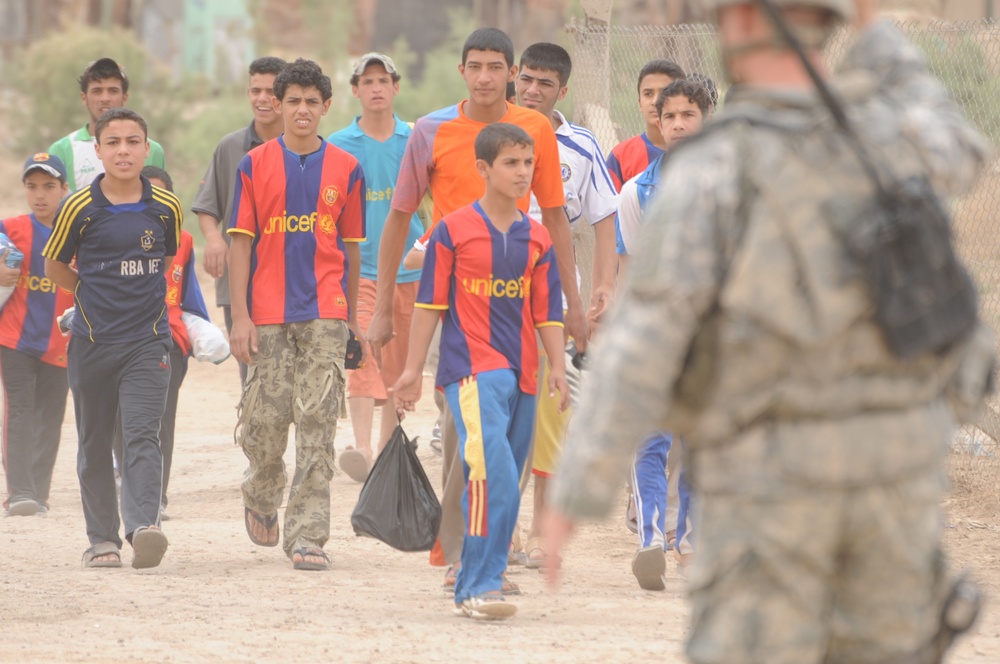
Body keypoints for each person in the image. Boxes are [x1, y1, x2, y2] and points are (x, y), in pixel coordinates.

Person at [545, 1, 993, 662]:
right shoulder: (893, 129)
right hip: (893, 476)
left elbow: (647, 334)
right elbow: (966, 151)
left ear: (746, 23)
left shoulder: (716, 164)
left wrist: (578, 489)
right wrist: (881, 42)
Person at [367, 27, 580, 594]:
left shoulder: (534, 130)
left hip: (519, 299)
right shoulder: (431, 130)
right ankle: (465, 556)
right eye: (475, 65)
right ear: (462, 70)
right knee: (466, 436)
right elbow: (399, 216)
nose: (485, 76)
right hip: (452, 304)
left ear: (511, 73)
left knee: (506, 438)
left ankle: (487, 552)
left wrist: (572, 304)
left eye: (496, 66)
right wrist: (386, 306)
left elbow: (555, 217)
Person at [392, 123, 569, 620]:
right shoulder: (451, 231)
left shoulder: (537, 237)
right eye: (511, 163)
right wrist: (412, 371)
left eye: (528, 163)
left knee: (505, 483)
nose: (522, 172)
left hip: (526, 376)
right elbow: (428, 305)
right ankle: (480, 584)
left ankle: (476, 580)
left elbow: (546, 312)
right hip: (472, 369)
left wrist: (557, 366)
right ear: (484, 169)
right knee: (491, 472)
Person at [228, 58, 366, 572]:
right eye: (293, 101)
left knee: (318, 419)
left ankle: (308, 534)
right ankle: (261, 489)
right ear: (278, 106)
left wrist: (351, 318)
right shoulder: (255, 164)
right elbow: (241, 244)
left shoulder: (347, 169)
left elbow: (350, 250)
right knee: (265, 420)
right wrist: (240, 316)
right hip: (266, 313)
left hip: (326, 312)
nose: (302, 110)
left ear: (326, 107)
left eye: (312, 101)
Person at [44, 107, 181, 570]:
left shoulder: (166, 207)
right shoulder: (78, 208)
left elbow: (165, 258)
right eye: (114, 142)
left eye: (133, 141)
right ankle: (102, 540)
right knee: (95, 442)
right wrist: (90, 291)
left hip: (148, 341)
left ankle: (145, 527)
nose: (124, 150)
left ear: (147, 148)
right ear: (98, 150)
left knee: (143, 435)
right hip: (92, 343)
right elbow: (54, 266)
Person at [513, 42, 618, 568]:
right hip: (487, 297)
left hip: (552, 296)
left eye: (544, 84)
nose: (532, 91)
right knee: (499, 409)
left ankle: (538, 529)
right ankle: (500, 527)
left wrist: (601, 288)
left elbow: (604, 218)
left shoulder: (580, 147)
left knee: (551, 412)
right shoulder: (491, 136)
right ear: (515, 77)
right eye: (526, 79)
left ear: (563, 91)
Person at [615, 78, 713, 589]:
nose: (677, 124)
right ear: (657, 120)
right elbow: (629, 269)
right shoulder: (637, 192)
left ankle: (690, 542)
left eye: (688, 115)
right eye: (668, 115)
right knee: (650, 439)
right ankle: (651, 540)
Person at [327, 52, 424, 482]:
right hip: (361, 270)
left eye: (383, 80)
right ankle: (362, 448)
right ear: (355, 91)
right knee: (363, 350)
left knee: (401, 365)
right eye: (367, 82)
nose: (376, 88)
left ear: (396, 87)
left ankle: (386, 451)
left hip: (412, 268)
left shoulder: (417, 139)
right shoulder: (339, 145)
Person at [110, 166, 212, 520]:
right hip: (118, 336)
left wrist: (201, 334)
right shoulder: (110, 230)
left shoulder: (181, 240)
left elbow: (189, 294)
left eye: (159, 194)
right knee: (121, 419)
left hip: (168, 341)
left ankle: (156, 498)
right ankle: (130, 482)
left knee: (160, 421)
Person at [191, 56, 287, 384]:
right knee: (252, 372)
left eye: (271, 91)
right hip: (239, 283)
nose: (262, 99)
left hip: (291, 280)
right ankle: (253, 435)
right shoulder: (230, 147)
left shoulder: (305, 146)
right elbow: (208, 207)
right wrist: (215, 239)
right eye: (255, 90)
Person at [0, 153, 74, 518]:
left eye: (48, 186)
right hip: (15, 339)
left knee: (51, 416)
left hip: (62, 343)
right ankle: (20, 492)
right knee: (20, 411)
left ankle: (39, 492)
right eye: (32, 187)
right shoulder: (10, 228)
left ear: (65, 189)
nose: (40, 195)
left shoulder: (80, 232)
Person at [49, 58, 166, 192]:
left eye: (113, 91)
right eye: (97, 91)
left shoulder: (152, 150)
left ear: (125, 97)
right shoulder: (61, 150)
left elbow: (160, 204)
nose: (105, 98)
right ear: (83, 97)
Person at [605, 59, 685, 192]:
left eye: (664, 92)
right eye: (648, 94)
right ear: (639, 103)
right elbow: (611, 210)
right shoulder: (621, 156)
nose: (655, 101)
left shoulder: (701, 152)